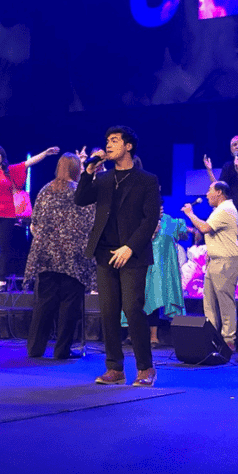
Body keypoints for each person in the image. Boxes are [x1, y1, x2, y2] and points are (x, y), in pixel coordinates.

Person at [75, 127, 160, 386]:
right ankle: (115, 368)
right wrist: (88, 172)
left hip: (132, 254)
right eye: (107, 141)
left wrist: (130, 247)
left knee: (132, 309)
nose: (108, 145)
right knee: (108, 311)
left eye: (114, 141)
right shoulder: (103, 179)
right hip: (105, 252)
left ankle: (146, 368)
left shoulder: (147, 180)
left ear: (129, 146)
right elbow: (80, 199)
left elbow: (150, 220)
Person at [24, 153, 95, 359]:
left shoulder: (46, 190)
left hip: (46, 256)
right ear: (76, 169)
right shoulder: (81, 191)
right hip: (73, 258)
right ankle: (62, 350)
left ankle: (35, 349)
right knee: (69, 305)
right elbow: (90, 223)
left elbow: (34, 223)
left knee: (44, 303)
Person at [0, 144, 60, 290]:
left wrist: (45, 153)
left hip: (7, 215)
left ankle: (2, 280)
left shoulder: (10, 171)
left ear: (3, 157)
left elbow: (29, 162)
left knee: (4, 248)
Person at [183, 182, 238, 351]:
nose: (207, 194)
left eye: (210, 191)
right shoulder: (220, 210)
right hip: (216, 261)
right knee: (208, 302)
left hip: (226, 262)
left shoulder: (225, 209)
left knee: (225, 302)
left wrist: (190, 214)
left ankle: (228, 340)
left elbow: (204, 228)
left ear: (220, 192)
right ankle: (212, 338)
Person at [204, 136, 238, 300]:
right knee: (229, 249)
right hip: (231, 213)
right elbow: (219, 187)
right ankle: (228, 287)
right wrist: (209, 170)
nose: (237, 147)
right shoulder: (228, 166)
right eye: (234, 145)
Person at [143, 205, 190, 347]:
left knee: (154, 299)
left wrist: (191, 229)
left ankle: (153, 336)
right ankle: (133, 335)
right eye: (158, 205)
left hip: (160, 268)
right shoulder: (141, 220)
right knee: (138, 300)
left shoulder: (168, 222)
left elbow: (183, 233)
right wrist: (149, 234)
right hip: (142, 265)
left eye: (162, 205)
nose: (161, 208)